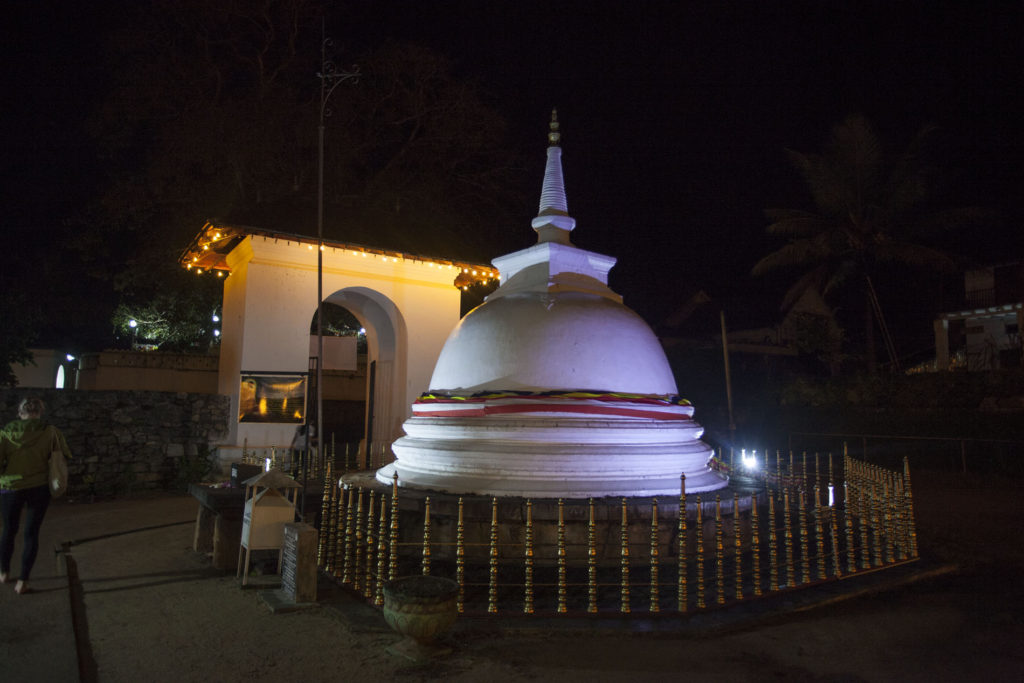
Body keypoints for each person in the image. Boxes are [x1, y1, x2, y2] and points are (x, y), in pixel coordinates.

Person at [0, 397, 72, 594]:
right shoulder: (51, 432)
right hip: (39, 487)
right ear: (40, 412)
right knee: (31, 533)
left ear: (20, 413)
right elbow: (62, 455)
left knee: (8, 530)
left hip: (10, 487)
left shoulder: (6, 432)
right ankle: (23, 581)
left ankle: (4, 572)